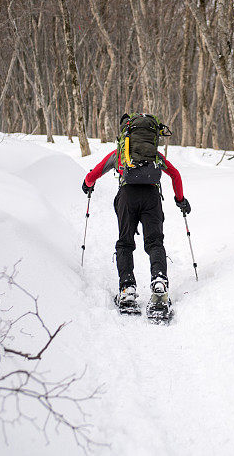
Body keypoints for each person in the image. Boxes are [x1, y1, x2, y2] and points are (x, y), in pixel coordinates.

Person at [81, 113, 191, 317]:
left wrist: (87, 184)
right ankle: (159, 283)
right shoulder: (155, 156)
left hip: (127, 196)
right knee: (155, 243)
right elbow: (175, 174)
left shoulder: (120, 154)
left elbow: (94, 174)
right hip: (151, 196)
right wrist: (180, 199)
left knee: (125, 242)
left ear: (126, 133)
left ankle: (127, 290)